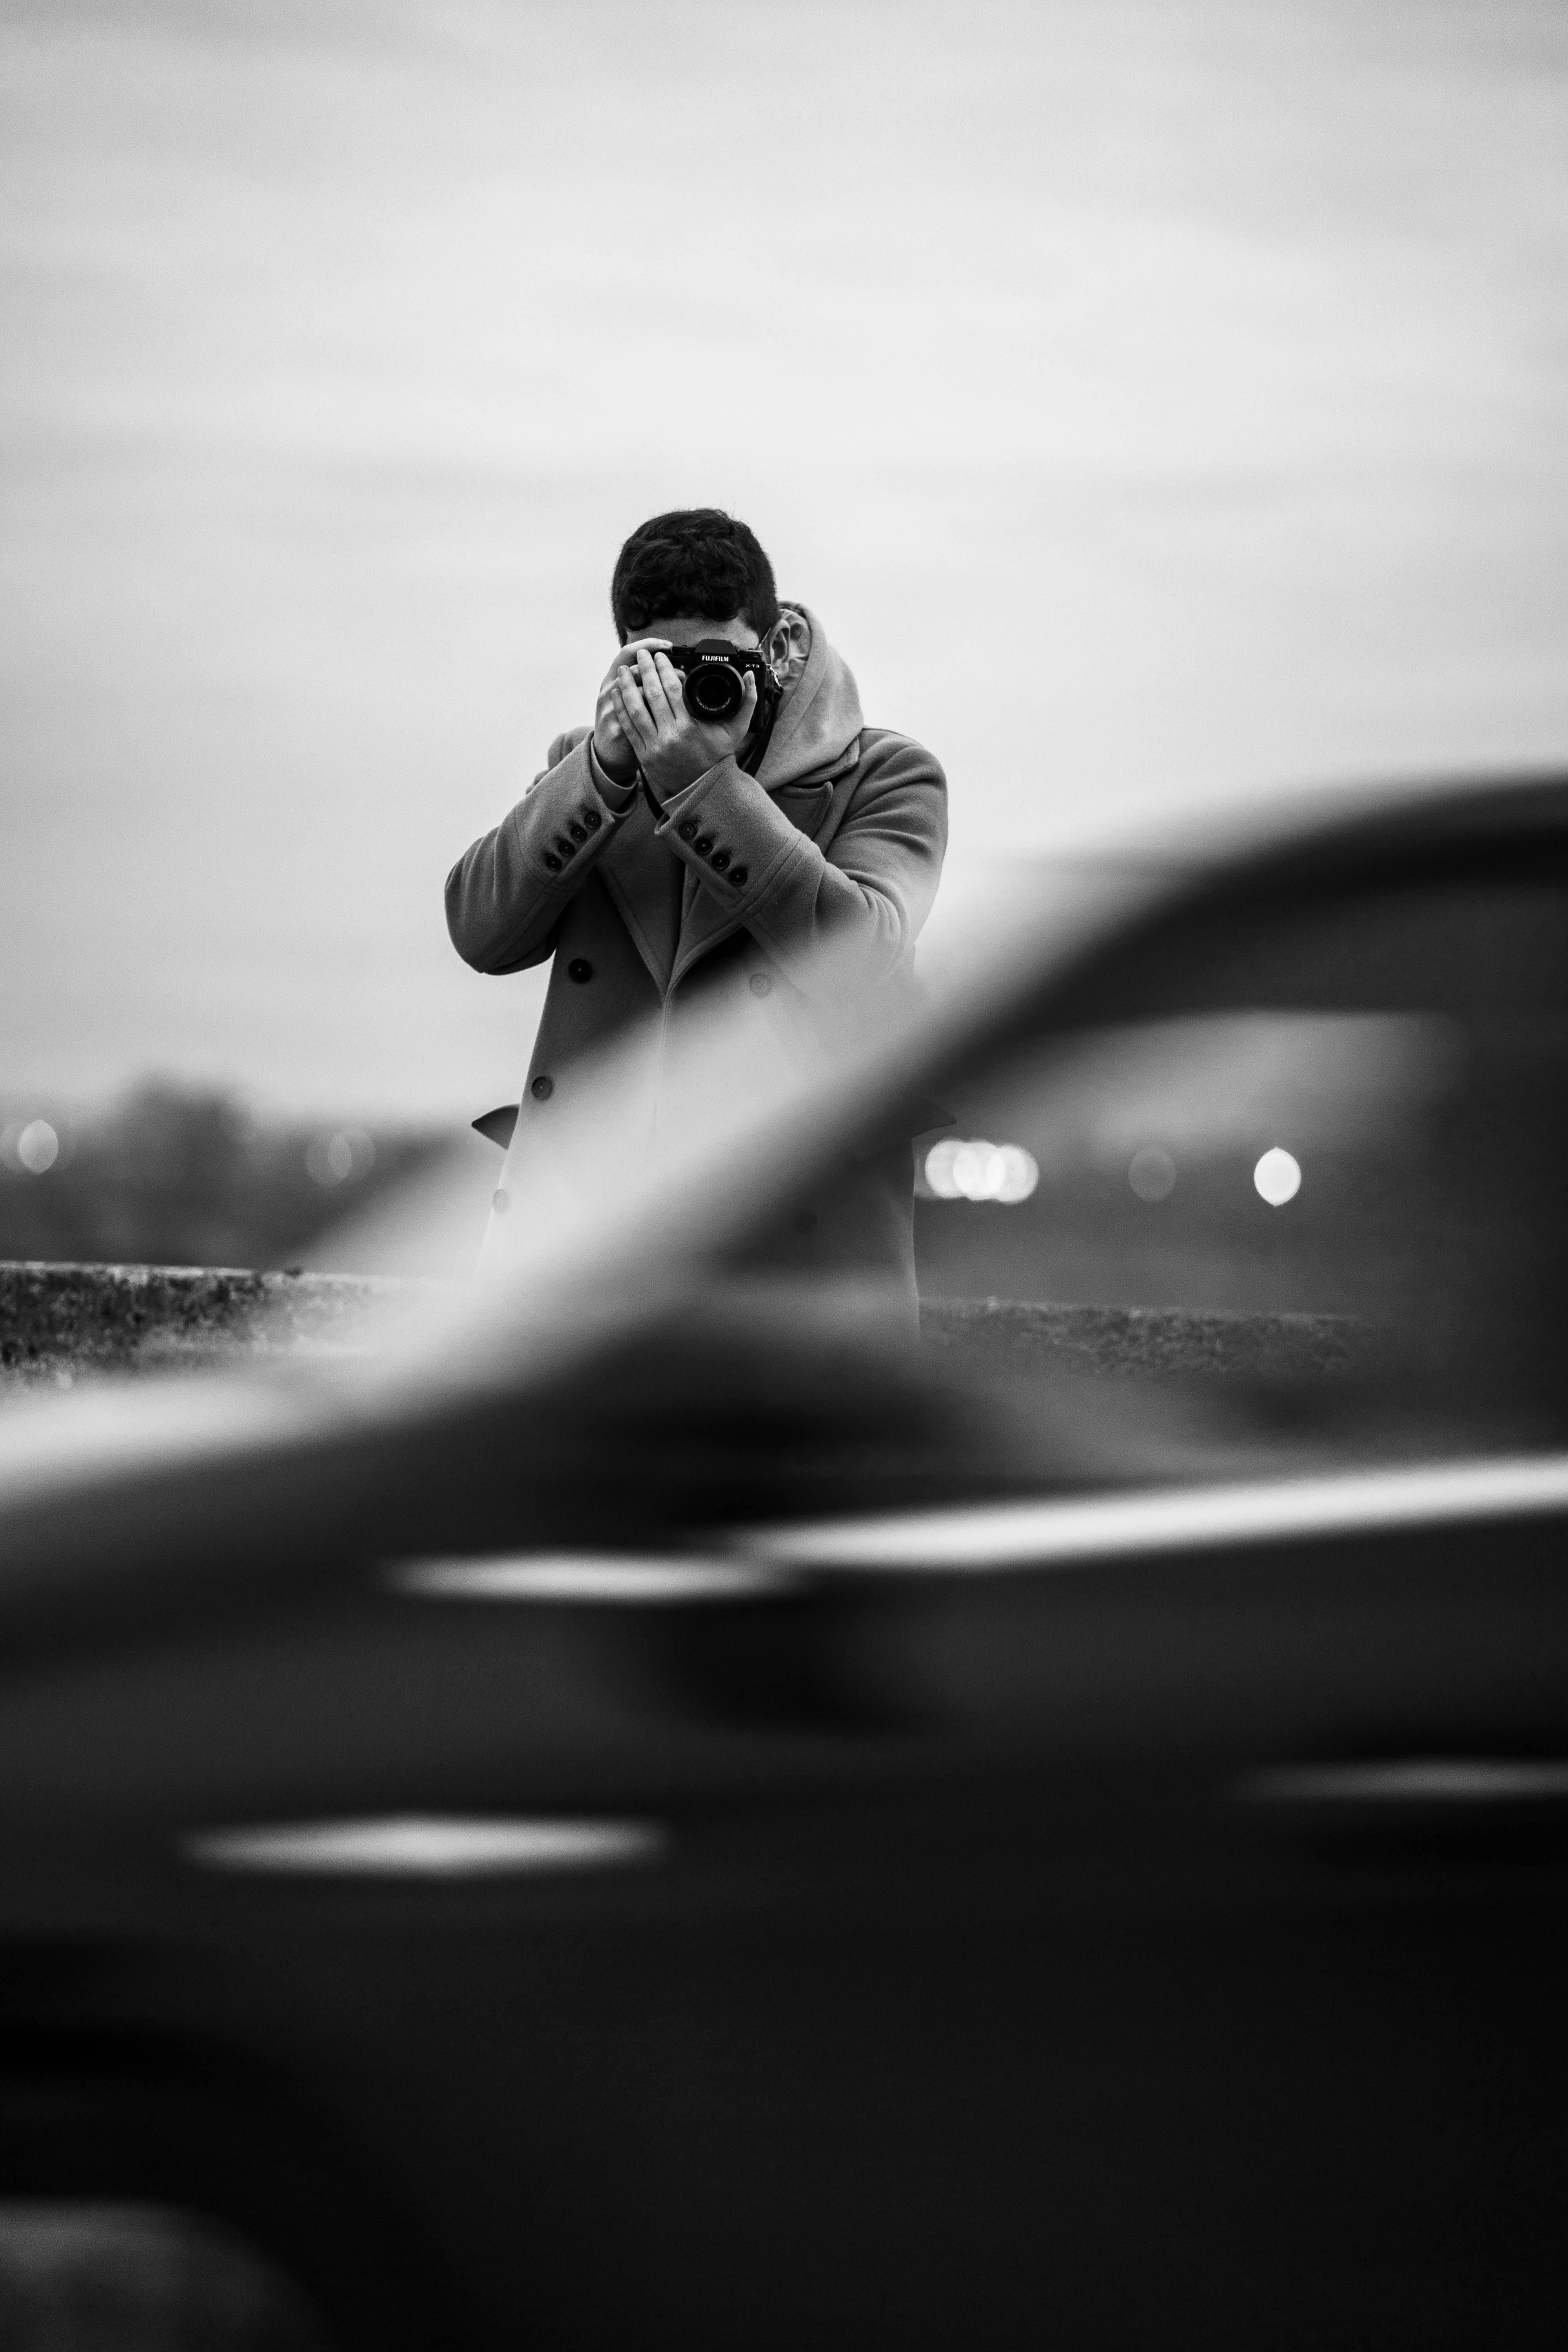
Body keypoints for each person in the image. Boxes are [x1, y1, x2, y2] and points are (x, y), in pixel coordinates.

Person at [445, 507, 947, 1308]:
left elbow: (860, 954)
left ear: (777, 645)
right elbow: (480, 931)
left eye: (718, 661)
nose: (694, 690)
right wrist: (603, 770)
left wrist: (706, 790)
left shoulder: (886, 778)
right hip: (593, 1257)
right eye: (662, 668)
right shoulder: (592, 770)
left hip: (794, 1257)